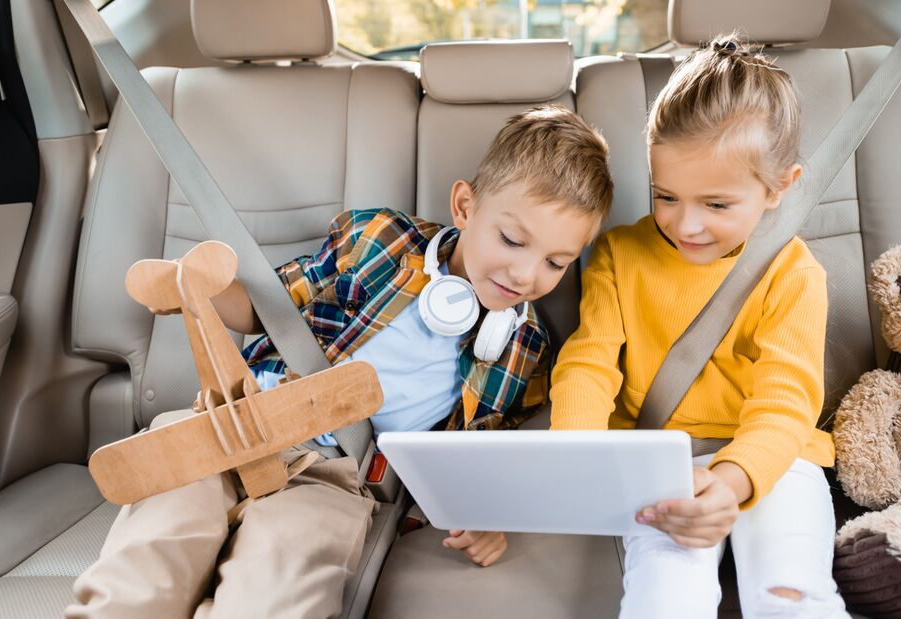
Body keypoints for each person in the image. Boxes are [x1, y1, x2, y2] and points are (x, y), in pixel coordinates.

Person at [68, 104, 613, 619]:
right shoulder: (378, 241)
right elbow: (268, 309)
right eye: (512, 240)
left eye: (555, 262)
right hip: (232, 421)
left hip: (338, 478)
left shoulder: (524, 347)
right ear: (465, 207)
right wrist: (204, 287)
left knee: (277, 592)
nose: (525, 275)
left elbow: (490, 453)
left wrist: (492, 515)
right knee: (146, 564)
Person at [549, 35, 849, 618]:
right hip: (659, 460)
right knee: (665, 596)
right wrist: (579, 457)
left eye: (716, 204)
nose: (686, 225)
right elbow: (587, 364)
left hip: (775, 459)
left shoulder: (792, 273)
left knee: (790, 592)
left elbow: (786, 403)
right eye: (666, 196)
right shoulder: (619, 255)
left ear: (779, 187)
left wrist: (735, 480)